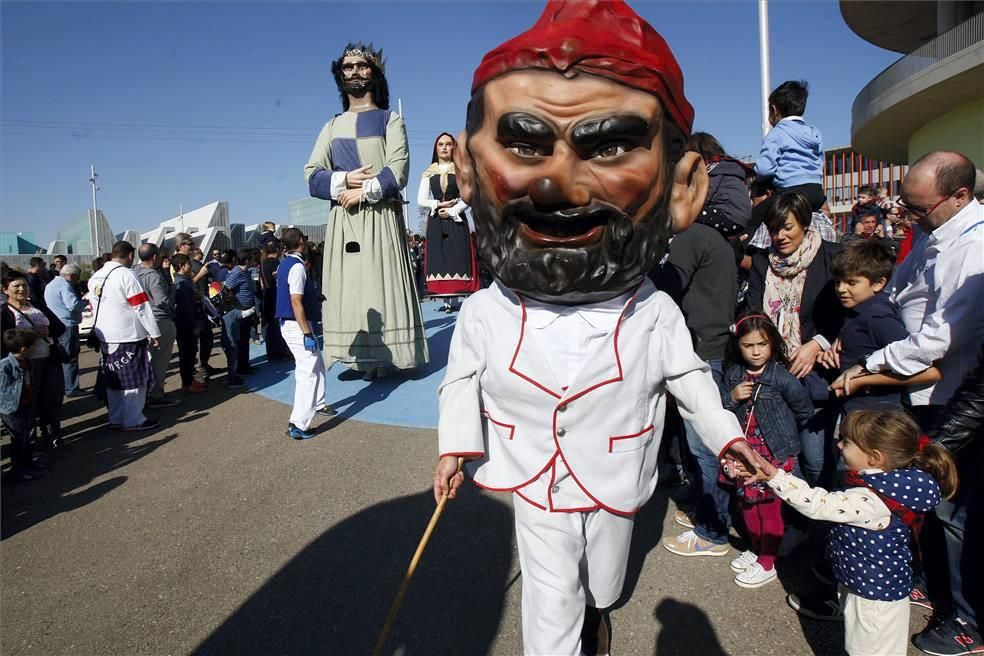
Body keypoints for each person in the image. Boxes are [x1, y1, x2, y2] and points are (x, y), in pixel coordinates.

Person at [432, 3, 761, 653]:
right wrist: (454, 447)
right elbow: (460, 379)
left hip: (615, 478)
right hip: (535, 481)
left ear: (682, 188)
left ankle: (599, 607)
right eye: (524, 144)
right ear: (468, 175)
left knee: (603, 582)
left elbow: (693, 380)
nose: (557, 184)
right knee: (550, 599)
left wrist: (726, 439)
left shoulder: (653, 312)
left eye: (608, 144)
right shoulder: (483, 311)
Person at [753, 410, 957, 656]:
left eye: (847, 442)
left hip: (872, 596)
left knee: (865, 649)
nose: (839, 445)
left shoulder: (869, 498)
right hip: (871, 583)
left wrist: (776, 477)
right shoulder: (894, 483)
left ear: (874, 457)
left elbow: (818, 504)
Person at [304, 42, 429, 379]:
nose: (355, 71)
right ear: (340, 75)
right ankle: (358, 355)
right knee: (351, 288)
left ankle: (388, 355)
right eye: (348, 66)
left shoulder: (391, 120)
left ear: (374, 74)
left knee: (379, 281)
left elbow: (398, 170)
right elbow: (312, 176)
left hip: (379, 217)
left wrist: (364, 193)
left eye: (362, 66)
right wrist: (345, 181)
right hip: (343, 220)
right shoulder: (330, 126)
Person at [652, 169, 739, 560]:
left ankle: (713, 530)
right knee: (701, 442)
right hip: (712, 345)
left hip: (702, 350)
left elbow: (664, 288)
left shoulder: (690, 237)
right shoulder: (709, 236)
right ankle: (708, 511)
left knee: (704, 444)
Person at [747, 191, 844, 486]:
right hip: (775, 374)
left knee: (815, 459)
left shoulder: (831, 256)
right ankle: (790, 522)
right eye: (773, 228)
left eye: (786, 227)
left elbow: (847, 311)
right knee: (782, 456)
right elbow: (753, 312)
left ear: (804, 223)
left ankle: (818, 520)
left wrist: (819, 344)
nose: (779, 236)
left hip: (815, 374)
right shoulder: (763, 262)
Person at [716, 313, 813, 588]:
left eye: (762, 344)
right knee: (746, 501)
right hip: (743, 452)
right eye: (749, 345)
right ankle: (757, 548)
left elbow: (804, 409)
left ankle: (768, 561)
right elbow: (720, 410)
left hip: (773, 453)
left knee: (769, 507)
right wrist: (732, 397)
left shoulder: (781, 377)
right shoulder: (734, 374)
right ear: (738, 345)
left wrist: (795, 449)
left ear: (772, 344)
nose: (756, 351)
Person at [824, 240, 940, 416]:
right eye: (837, 282)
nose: (841, 289)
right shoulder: (856, 310)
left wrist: (862, 381)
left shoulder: (879, 319)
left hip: (878, 419)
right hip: (857, 413)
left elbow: (929, 373)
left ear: (878, 283)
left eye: (851, 283)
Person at [87, 241, 161, 431]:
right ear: (130, 255)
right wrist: (154, 332)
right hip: (128, 335)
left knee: (114, 380)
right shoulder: (127, 275)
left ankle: (116, 417)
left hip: (105, 336)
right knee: (134, 380)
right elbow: (141, 306)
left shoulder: (95, 276)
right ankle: (134, 419)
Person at [275, 228, 335, 439]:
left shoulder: (286, 263)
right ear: (300, 241)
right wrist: (307, 333)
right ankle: (298, 423)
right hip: (297, 325)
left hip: (293, 323)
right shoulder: (297, 267)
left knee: (317, 364)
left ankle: (318, 403)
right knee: (307, 371)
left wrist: (314, 298)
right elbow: (295, 301)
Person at [2, 272, 66, 454]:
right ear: (5, 290)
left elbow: (59, 327)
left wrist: (47, 331)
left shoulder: (36, 306)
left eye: (24, 285)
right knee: (29, 404)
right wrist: (33, 333)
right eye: (16, 286)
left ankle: (53, 436)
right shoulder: (4, 312)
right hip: (23, 366)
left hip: (48, 360)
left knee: (52, 398)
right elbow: (5, 340)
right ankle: (29, 443)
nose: (22, 289)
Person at [418, 132, 479, 313]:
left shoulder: (463, 170)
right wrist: (437, 204)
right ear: (435, 148)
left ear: (454, 147)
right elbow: (421, 199)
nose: (444, 147)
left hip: (456, 219)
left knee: (458, 253)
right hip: (436, 219)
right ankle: (441, 293)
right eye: (440, 144)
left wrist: (454, 210)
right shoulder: (428, 173)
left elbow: (470, 195)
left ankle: (461, 291)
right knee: (439, 256)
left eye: (448, 144)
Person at [133, 243, 180, 408]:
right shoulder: (153, 275)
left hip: (141, 321)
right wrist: (173, 293)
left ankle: (145, 393)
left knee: (146, 360)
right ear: (154, 257)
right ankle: (156, 395)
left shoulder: (133, 272)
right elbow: (161, 301)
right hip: (159, 320)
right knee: (160, 361)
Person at [686, 132, 752, 239]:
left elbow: (705, 194)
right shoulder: (728, 167)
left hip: (728, 217)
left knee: (688, 213)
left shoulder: (714, 169)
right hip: (739, 220)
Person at [1, 329, 43, 481]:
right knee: (19, 440)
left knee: (26, 437)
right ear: (24, 348)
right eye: (33, 346)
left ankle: (28, 464)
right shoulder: (5, 366)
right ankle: (18, 469)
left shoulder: (27, 362)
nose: (35, 349)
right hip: (12, 409)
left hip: (27, 404)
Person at [43, 263, 88, 397]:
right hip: (67, 324)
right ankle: (71, 388)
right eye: (77, 277)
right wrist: (85, 303)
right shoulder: (65, 285)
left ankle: (65, 385)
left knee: (62, 356)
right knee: (70, 356)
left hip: (56, 323)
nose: (77, 281)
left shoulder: (51, 284)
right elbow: (73, 305)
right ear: (72, 275)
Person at [219, 249, 256, 389]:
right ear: (246, 260)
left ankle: (244, 365)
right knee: (236, 341)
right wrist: (237, 307)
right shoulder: (236, 273)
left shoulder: (246, 272)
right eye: (251, 259)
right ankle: (237, 370)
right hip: (239, 312)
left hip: (246, 311)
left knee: (244, 340)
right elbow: (226, 290)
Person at [171, 254, 207, 394]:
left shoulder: (184, 281)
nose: (191, 266)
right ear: (181, 266)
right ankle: (187, 383)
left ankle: (189, 381)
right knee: (188, 354)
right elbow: (187, 308)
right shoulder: (182, 284)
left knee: (189, 354)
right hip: (186, 324)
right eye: (188, 264)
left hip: (186, 322)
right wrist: (194, 325)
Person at [260, 239, 290, 361]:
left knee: (271, 327)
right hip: (275, 297)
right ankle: (279, 352)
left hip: (267, 296)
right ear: (277, 249)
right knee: (277, 327)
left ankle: (273, 353)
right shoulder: (275, 263)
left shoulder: (263, 263)